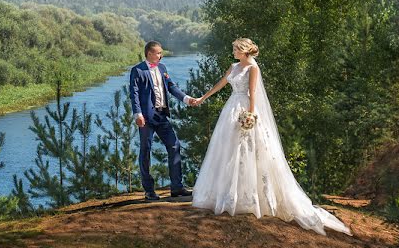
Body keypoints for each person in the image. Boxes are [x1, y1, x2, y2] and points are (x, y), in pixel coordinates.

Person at [190, 38, 351, 235]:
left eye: (235, 49)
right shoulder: (233, 67)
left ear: (244, 50)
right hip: (231, 109)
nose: (232, 51)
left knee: (248, 150)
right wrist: (202, 98)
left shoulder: (252, 68)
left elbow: (253, 92)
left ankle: (251, 198)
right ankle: (226, 194)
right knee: (227, 149)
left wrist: (250, 115)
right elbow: (220, 84)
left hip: (245, 108)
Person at [129, 40, 198, 201]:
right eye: (159, 52)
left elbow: (171, 87)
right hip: (146, 118)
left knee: (174, 145)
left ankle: (177, 187)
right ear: (150, 53)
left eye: (161, 52)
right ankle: (149, 190)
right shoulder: (137, 70)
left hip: (161, 116)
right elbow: (134, 93)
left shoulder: (162, 68)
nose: (161, 55)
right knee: (145, 151)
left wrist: (187, 99)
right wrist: (137, 114)